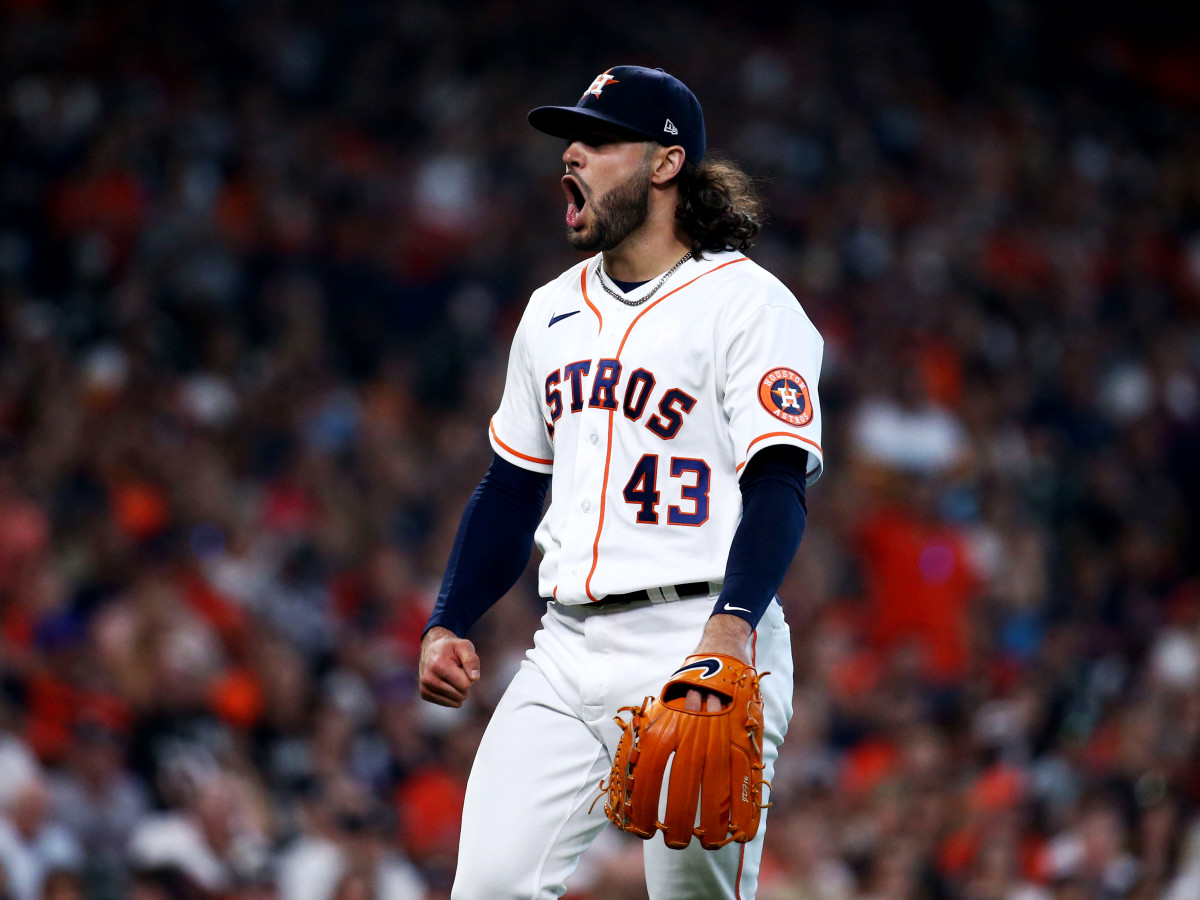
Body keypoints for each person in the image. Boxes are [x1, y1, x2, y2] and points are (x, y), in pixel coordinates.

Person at [418, 65, 825, 899]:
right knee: (488, 888)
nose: (572, 151)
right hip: (566, 648)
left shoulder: (749, 304)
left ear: (666, 164)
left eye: (600, 140)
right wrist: (448, 618)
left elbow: (779, 484)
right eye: (572, 138)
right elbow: (509, 487)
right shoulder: (550, 311)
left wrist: (735, 626)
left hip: (701, 642)